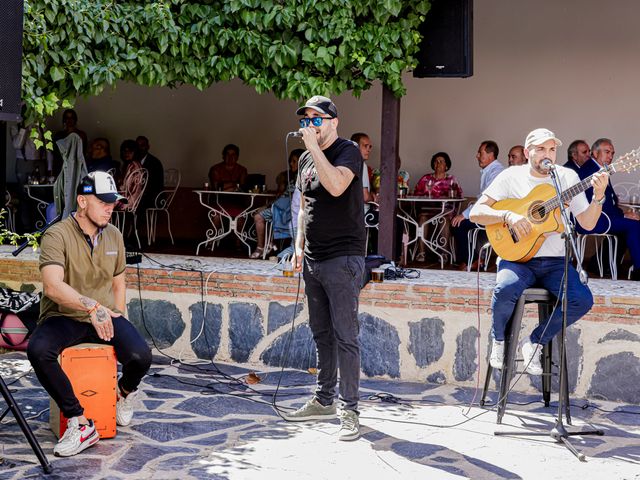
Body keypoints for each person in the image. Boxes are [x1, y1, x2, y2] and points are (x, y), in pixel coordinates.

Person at [26, 171, 152, 457]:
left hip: (105, 314)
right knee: (38, 349)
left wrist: (118, 315)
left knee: (141, 356)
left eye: (113, 202)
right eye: (104, 202)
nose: (110, 208)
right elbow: (53, 286)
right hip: (64, 316)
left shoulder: (114, 235)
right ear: (82, 202)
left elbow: (119, 281)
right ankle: (79, 422)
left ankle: (120, 395)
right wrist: (92, 307)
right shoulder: (56, 235)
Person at [469, 128, 608, 373]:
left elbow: (587, 223)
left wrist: (598, 196)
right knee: (505, 288)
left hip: (555, 262)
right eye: (541, 149)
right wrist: (507, 215)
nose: (548, 154)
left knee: (582, 300)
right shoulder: (511, 176)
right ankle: (499, 340)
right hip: (517, 259)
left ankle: (534, 342)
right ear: (527, 152)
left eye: (552, 149)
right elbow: (477, 213)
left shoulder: (566, 178)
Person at [284, 95, 365, 441]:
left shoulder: (348, 152)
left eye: (317, 119)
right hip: (314, 258)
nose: (309, 125)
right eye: (306, 119)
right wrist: (298, 246)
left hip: (343, 257)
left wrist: (314, 149)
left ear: (334, 122)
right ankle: (324, 399)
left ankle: (349, 409)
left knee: (346, 335)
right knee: (321, 333)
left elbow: (335, 185)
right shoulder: (304, 159)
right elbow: (304, 207)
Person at [574, 138, 640, 278]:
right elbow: (600, 203)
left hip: (601, 217)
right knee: (634, 225)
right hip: (591, 220)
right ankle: (638, 269)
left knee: (625, 228)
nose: (610, 156)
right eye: (607, 152)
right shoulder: (590, 170)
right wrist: (624, 216)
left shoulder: (599, 169)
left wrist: (624, 214)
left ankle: (598, 264)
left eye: (612, 153)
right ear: (595, 153)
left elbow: (610, 201)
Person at [451, 141, 504, 270]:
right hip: (486, 213)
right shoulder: (489, 170)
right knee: (458, 223)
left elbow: (486, 198)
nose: (477, 156)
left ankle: (471, 260)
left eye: (480, 153)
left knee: (459, 224)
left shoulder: (496, 172)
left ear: (490, 155)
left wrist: (464, 215)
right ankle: (473, 259)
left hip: (494, 216)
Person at [250, 149, 302, 258]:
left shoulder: (304, 177)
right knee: (258, 216)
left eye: (294, 161)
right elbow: (282, 198)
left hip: (294, 213)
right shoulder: (289, 177)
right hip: (281, 209)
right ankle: (260, 247)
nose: (291, 164)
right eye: (290, 161)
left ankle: (274, 246)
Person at [412, 152, 463, 261]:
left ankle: (444, 254)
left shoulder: (452, 179)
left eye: (441, 161)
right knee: (422, 218)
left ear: (447, 166)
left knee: (444, 218)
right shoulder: (425, 179)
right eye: (436, 161)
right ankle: (421, 253)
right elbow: (415, 195)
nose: (438, 164)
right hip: (427, 210)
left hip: (445, 211)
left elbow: (459, 197)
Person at [52, 109, 88, 176]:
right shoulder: (59, 135)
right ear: (64, 120)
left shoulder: (81, 134)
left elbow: (83, 152)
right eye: (67, 118)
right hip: (62, 167)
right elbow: (56, 154)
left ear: (75, 119)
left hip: (77, 166)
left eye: (72, 118)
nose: (69, 120)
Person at [136, 136, 164, 210]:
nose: (140, 148)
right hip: (138, 196)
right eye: (137, 146)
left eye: (142, 145)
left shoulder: (154, 162)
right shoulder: (134, 161)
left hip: (153, 196)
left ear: (148, 147)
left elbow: (156, 185)